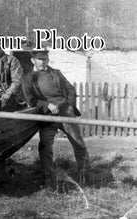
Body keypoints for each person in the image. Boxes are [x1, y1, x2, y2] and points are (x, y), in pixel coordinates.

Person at [22, 50, 90, 189]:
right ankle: (50, 181)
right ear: (32, 60)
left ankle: (85, 176)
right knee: (45, 146)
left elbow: (71, 90)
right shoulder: (28, 78)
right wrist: (47, 105)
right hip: (47, 116)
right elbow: (31, 100)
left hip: (65, 112)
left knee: (78, 143)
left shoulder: (56, 73)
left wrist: (68, 106)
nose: (43, 62)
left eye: (45, 59)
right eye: (39, 59)